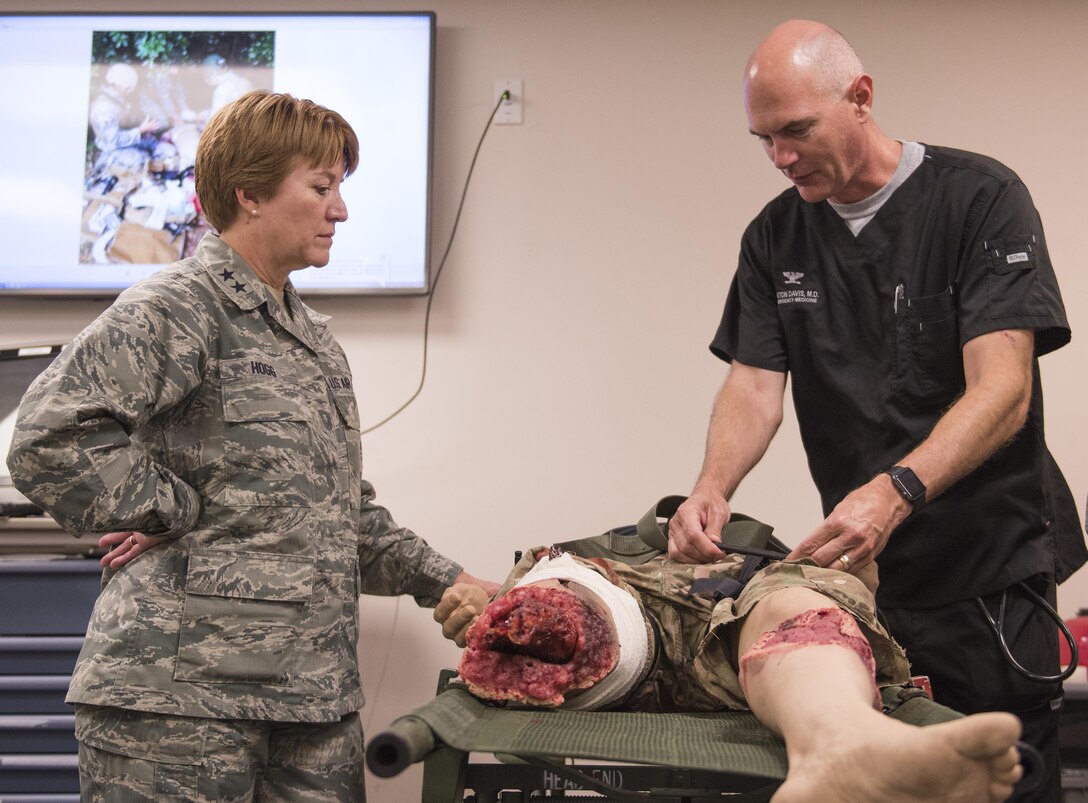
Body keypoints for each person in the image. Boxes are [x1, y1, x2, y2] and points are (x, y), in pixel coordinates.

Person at [7, 90, 497, 802]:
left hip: (312, 707)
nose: (340, 210)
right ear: (251, 194)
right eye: (321, 187)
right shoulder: (178, 306)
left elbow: (338, 515)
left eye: (341, 188)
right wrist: (173, 508)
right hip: (179, 707)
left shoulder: (313, 342)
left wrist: (449, 580)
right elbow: (48, 436)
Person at [666, 20, 1086, 802]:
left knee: (999, 777)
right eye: (764, 138)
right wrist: (712, 486)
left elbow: (1003, 391)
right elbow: (754, 384)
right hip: (871, 579)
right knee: (888, 775)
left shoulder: (980, 200)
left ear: (860, 98)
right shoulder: (775, 236)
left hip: (988, 574)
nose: (780, 156)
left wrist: (896, 490)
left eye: (796, 131)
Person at [435, 543, 1024, 803]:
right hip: (608, 606)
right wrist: (481, 612)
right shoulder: (585, 562)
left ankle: (843, 744)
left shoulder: (767, 569)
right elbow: (523, 609)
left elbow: (806, 595)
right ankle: (845, 747)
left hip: (746, 615)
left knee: (794, 604)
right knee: (551, 610)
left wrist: (852, 580)